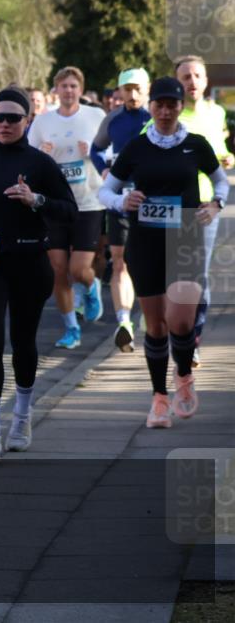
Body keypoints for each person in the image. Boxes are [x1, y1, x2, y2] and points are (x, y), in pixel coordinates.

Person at [98, 76, 228, 429]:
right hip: (146, 241)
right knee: (155, 325)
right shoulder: (137, 147)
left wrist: (215, 204)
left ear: (180, 106)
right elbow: (105, 191)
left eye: (172, 105)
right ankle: (159, 398)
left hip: (185, 239)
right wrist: (123, 200)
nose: (166, 111)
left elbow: (220, 181)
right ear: (151, 106)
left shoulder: (196, 144)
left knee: (180, 320)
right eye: (160, 104)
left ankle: (183, 375)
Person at [0, 87, 77, 461]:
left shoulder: (40, 163)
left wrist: (35, 199)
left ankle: (22, 416)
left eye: (13, 118)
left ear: (28, 121)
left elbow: (69, 210)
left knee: (23, 343)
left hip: (29, 260)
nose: (5, 124)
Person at [28, 67, 107, 350]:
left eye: (73, 86)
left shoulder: (96, 116)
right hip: (55, 204)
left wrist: (94, 152)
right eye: (64, 86)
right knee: (58, 270)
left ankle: (91, 285)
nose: (69, 91)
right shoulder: (43, 121)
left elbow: (113, 154)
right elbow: (29, 158)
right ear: (56, 90)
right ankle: (71, 328)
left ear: (81, 90)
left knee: (79, 269)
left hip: (88, 202)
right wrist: (41, 155)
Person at [173, 55, 235, 366]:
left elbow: (219, 151)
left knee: (199, 274)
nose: (192, 82)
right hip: (173, 206)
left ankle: (193, 338)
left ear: (206, 80)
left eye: (197, 75)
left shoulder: (216, 112)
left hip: (206, 205)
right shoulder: (168, 114)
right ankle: (171, 329)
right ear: (177, 83)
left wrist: (227, 158)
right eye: (185, 77)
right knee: (173, 275)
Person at [90, 68, 152, 352]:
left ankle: (150, 313)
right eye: (128, 89)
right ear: (120, 91)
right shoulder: (113, 119)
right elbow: (96, 149)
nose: (133, 94)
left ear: (147, 88)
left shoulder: (156, 116)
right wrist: (104, 171)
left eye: (138, 88)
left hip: (154, 201)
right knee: (120, 261)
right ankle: (124, 321)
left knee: (152, 262)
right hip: (121, 198)